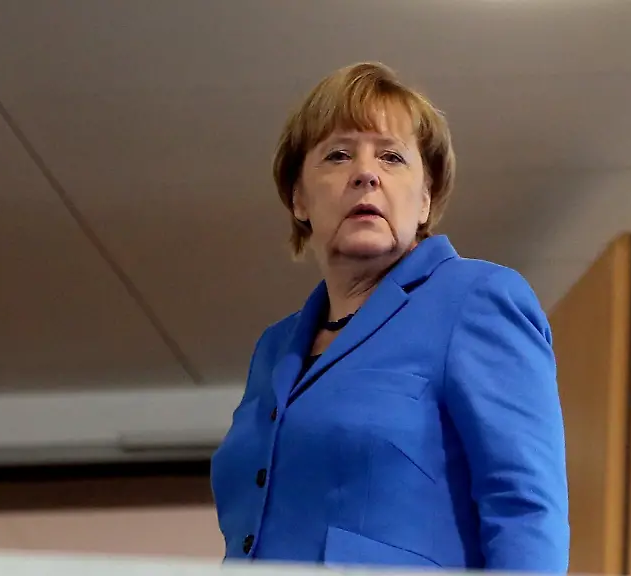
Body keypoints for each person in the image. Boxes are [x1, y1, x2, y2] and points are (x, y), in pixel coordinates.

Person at [210, 62, 569, 572]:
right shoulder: (274, 348)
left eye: (392, 156)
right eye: (338, 154)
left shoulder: (475, 299)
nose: (366, 173)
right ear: (299, 198)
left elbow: (526, 512)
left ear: (425, 200)